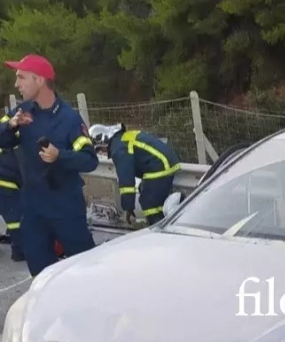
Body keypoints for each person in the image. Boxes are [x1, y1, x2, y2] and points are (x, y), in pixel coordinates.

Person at [0, 54, 97, 277]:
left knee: (85, 272)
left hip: (66, 207)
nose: (16, 84)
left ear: (40, 80)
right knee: (41, 276)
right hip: (33, 208)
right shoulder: (21, 114)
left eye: (21, 77)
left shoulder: (69, 119)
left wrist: (59, 156)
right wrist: (11, 126)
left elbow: (89, 159)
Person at [89, 123, 181, 226]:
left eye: (99, 149)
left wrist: (128, 207)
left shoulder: (118, 149)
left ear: (103, 141)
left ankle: (160, 227)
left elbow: (126, 180)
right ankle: (166, 220)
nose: (101, 153)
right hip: (160, 162)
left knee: (149, 202)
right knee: (148, 193)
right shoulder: (121, 139)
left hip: (160, 165)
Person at [0, 142, 24, 261]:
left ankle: (19, 249)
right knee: (16, 221)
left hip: (8, 180)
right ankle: (20, 251)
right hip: (7, 183)